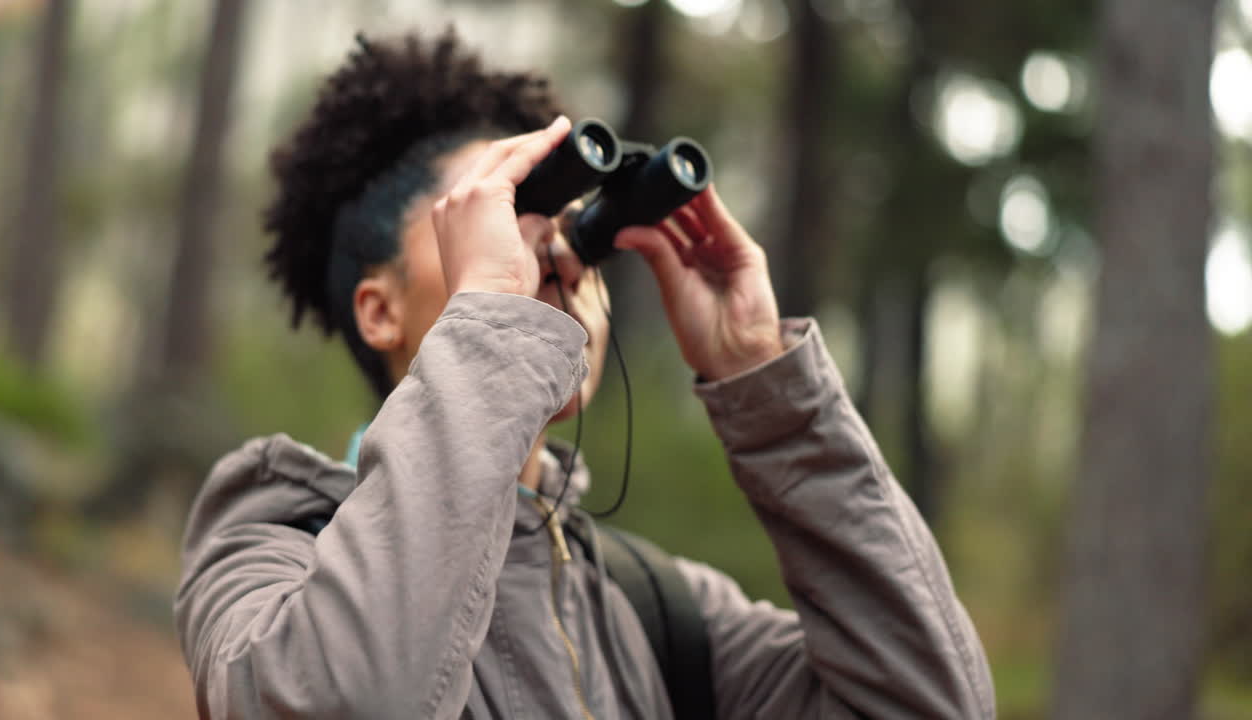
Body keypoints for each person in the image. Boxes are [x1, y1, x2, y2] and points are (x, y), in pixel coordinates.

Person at [174, 31, 995, 720]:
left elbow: (928, 703)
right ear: (379, 310)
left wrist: (768, 386)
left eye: (574, 233)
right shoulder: (268, 544)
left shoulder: (660, 612)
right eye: (501, 220)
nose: (557, 260)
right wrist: (494, 312)